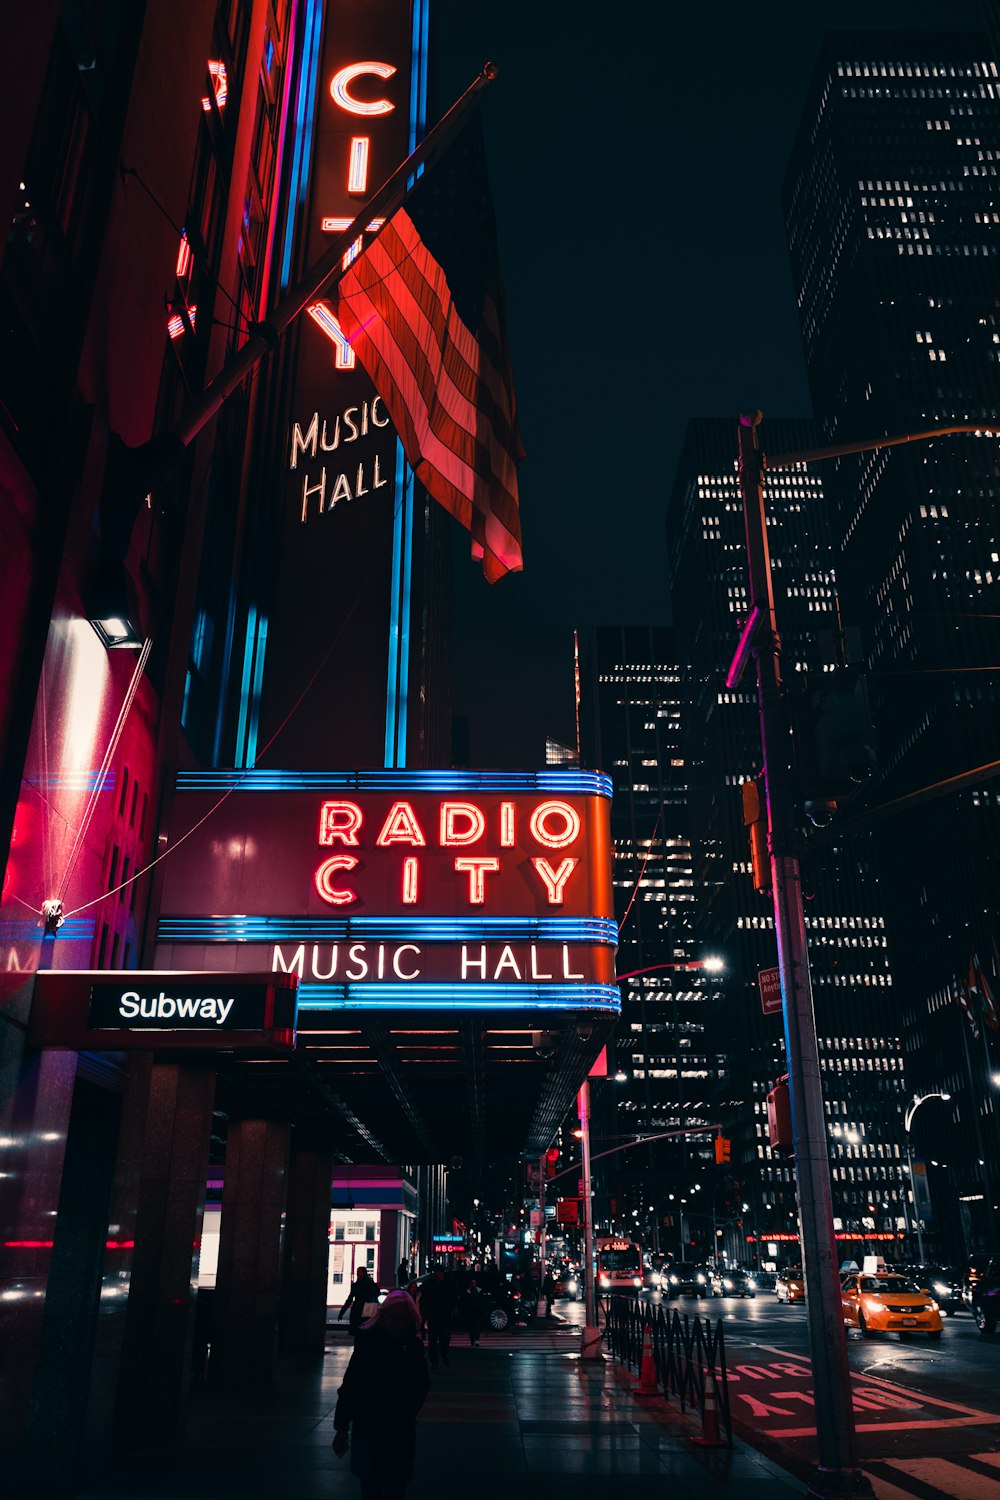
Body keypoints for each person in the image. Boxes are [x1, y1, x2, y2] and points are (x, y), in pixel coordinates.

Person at [332, 1290, 429, 1500]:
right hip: (370, 1426)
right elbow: (351, 1384)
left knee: (395, 1485)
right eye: (393, 1318)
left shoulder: (412, 1348)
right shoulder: (370, 1345)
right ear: (383, 1317)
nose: (397, 1324)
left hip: (397, 1426)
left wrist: (407, 1409)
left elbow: (421, 1385)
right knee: (371, 1484)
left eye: (402, 1319)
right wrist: (342, 1425)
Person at [418, 1264, 455, 1368]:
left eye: (438, 1272)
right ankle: (435, 1361)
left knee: (444, 1341)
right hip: (434, 1316)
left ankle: (443, 1356)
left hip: (443, 1316)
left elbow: (452, 1299)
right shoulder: (430, 1284)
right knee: (433, 1342)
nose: (436, 1274)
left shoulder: (447, 1284)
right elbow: (425, 1300)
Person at [339, 1266, 377, 1341]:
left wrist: (342, 1311)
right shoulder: (367, 1284)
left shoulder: (360, 1285)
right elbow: (350, 1299)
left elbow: (350, 1299)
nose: (357, 1273)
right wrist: (342, 1311)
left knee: (360, 1331)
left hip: (362, 1309)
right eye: (357, 1272)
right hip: (361, 1309)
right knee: (360, 1331)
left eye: (359, 1272)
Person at [461, 1275, 485, 1346]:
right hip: (470, 1311)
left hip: (477, 1310)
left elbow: (482, 1301)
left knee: (477, 1326)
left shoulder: (478, 1291)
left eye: (475, 1283)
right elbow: (465, 1301)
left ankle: (476, 1340)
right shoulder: (468, 1291)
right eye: (472, 1283)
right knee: (471, 1327)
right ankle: (473, 1340)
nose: (474, 1284)